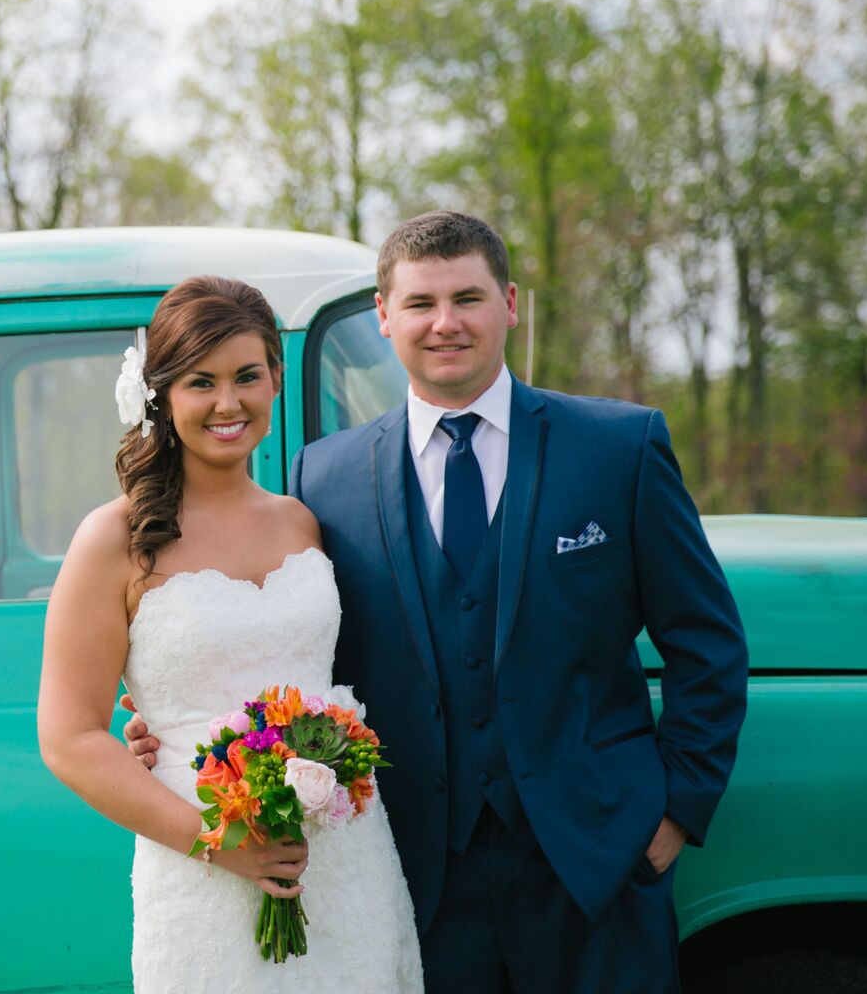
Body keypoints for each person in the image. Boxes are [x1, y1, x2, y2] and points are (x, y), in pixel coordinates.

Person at [124, 212, 749, 992]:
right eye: (420, 303)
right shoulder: (326, 476)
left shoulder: (619, 448)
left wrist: (675, 814)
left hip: (598, 865)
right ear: (385, 316)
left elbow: (708, 643)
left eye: (468, 298)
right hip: (419, 876)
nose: (445, 323)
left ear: (510, 303)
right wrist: (180, 721)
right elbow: (305, 653)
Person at [37, 275, 424, 994]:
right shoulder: (114, 539)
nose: (227, 402)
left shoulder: (304, 522)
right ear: (162, 395)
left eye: (247, 376)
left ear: (276, 379)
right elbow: (68, 736)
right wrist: (221, 845)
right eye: (199, 381)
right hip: (200, 865)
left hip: (343, 858)